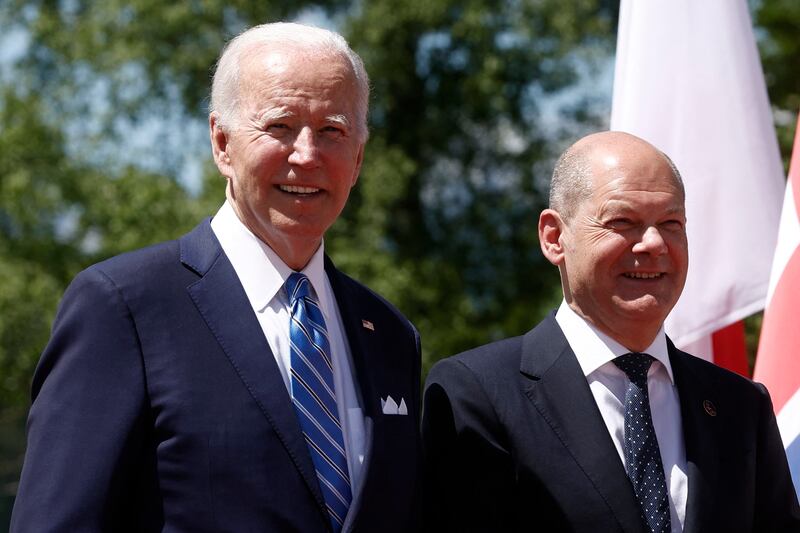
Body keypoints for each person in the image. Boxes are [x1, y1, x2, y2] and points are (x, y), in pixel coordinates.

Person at [11, 22, 421, 533]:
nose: (307, 154)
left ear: (358, 158)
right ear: (222, 143)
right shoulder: (124, 308)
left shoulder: (390, 337)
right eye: (280, 126)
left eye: (333, 131)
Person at [421, 131, 800, 532]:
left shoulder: (740, 405)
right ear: (554, 237)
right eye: (623, 222)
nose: (653, 243)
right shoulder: (479, 393)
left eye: (671, 223)